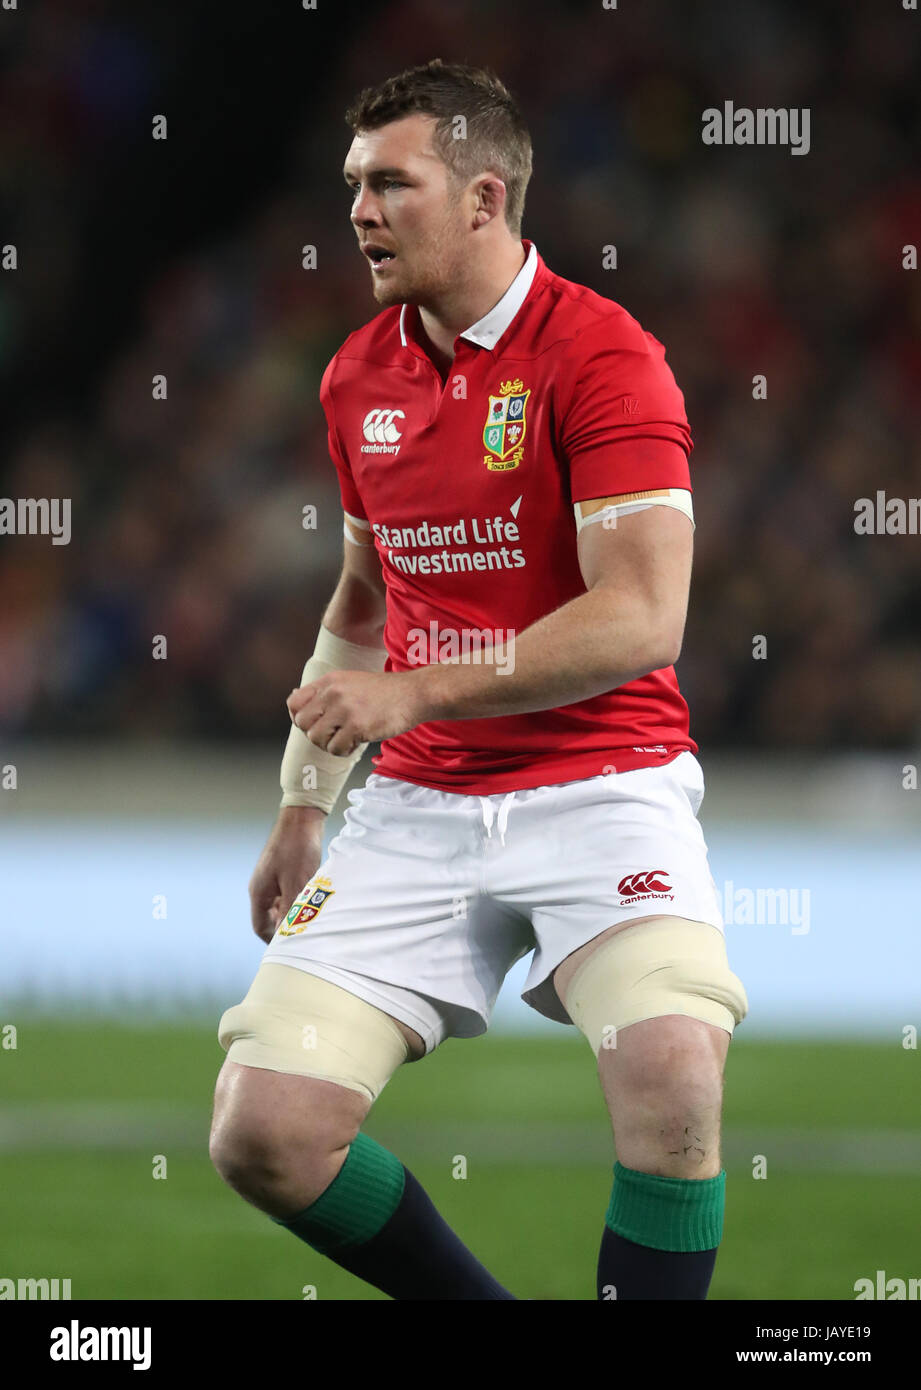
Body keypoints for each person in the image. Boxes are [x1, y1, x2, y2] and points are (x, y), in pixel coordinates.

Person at [209, 58, 748, 1301]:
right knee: (263, 1133)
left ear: (484, 198)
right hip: (418, 806)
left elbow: (642, 614)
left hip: (605, 785)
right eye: (352, 184)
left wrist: (419, 692)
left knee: (673, 1078)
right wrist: (303, 803)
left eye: (391, 183)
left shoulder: (609, 358)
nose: (357, 211)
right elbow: (360, 603)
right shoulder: (356, 377)